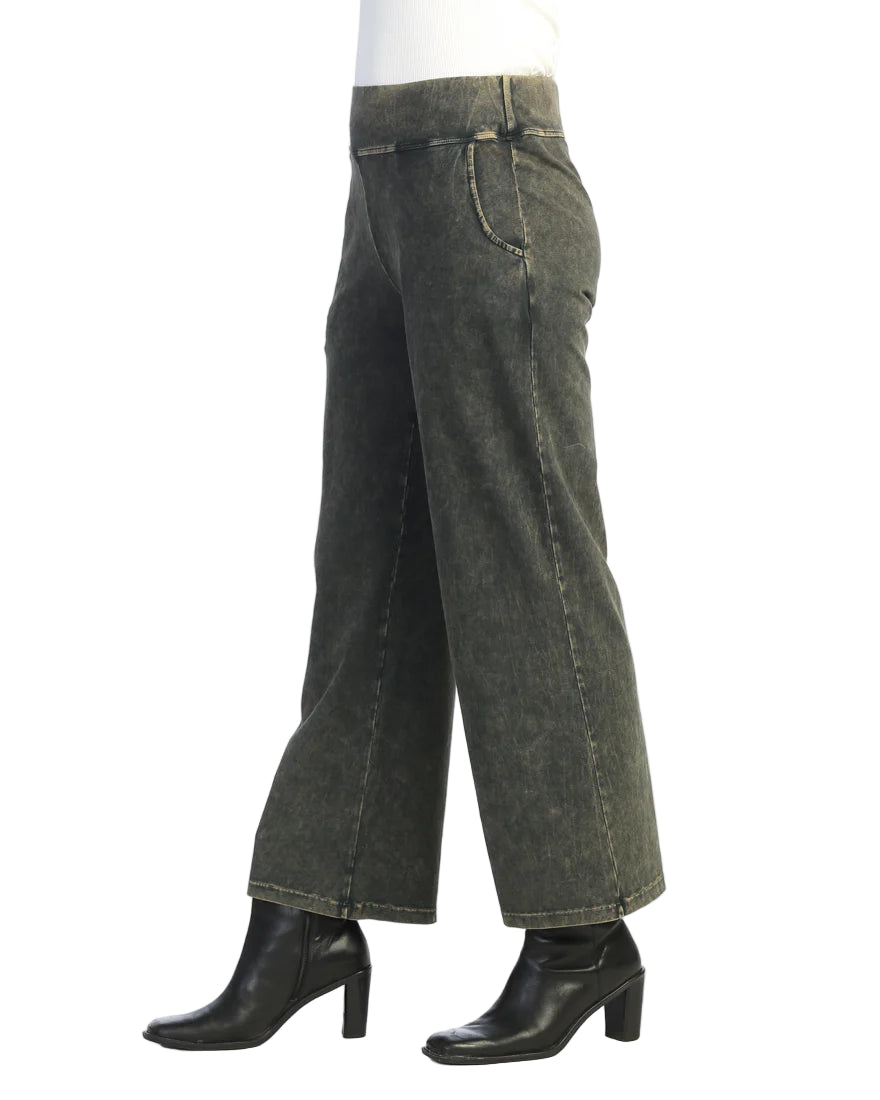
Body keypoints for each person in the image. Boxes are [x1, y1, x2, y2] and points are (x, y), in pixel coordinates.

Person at [143, 0, 665, 1064]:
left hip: (491, 163)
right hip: (379, 175)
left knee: (523, 564)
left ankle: (581, 932)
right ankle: (310, 915)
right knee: (366, 564)